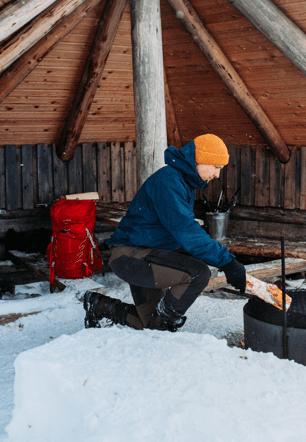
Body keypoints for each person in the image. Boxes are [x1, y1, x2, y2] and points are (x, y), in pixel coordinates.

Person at [83, 134, 246, 332]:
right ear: (200, 160)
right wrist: (227, 262)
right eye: (216, 167)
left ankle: (99, 305)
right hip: (130, 257)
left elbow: (178, 231)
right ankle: (166, 320)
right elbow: (186, 229)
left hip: (146, 253)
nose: (218, 175)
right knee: (198, 274)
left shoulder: (183, 182)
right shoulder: (169, 182)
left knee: (150, 324)